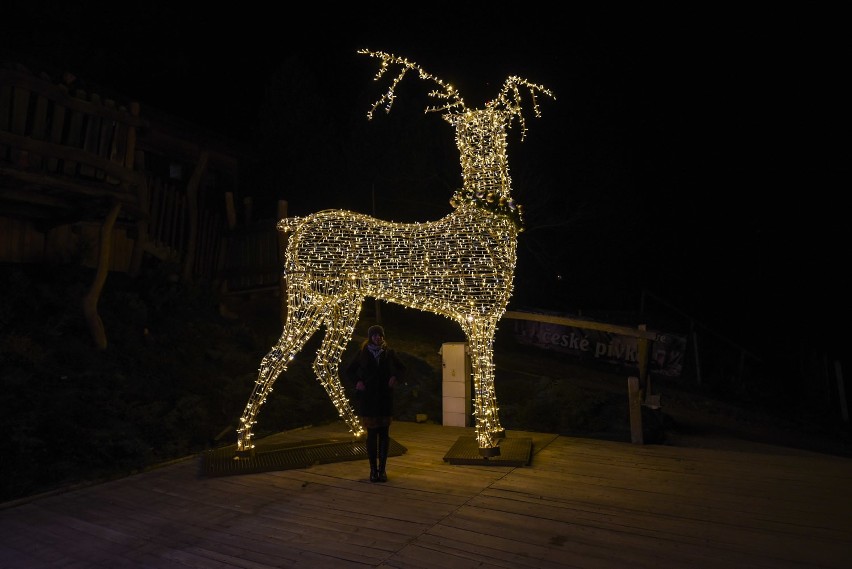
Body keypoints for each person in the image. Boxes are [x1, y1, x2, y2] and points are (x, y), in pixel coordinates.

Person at [346, 324, 405, 483]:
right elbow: (349, 370)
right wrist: (357, 382)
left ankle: (382, 470)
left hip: (385, 398)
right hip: (369, 399)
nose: (378, 337)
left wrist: (395, 377)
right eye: (375, 335)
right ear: (370, 337)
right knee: (372, 435)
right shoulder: (363, 353)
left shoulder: (389, 353)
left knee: (384, 435)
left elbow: (402, 369)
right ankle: (373, 470)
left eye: (380, 335)